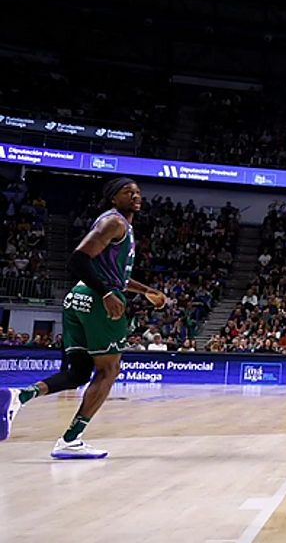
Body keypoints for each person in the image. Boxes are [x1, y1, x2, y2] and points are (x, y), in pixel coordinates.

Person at [1, 178, 168, 458]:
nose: (136, 195)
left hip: (78, 298)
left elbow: (113, 275)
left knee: (78, 372)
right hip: (95, 301)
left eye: (138, 192)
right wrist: (105, 294)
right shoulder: (114, 223)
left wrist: (147, 290)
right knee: (108, 371)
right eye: (128, 192)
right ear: (113, 198)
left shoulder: (118, 225)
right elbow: (77, 260)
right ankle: (71, 439)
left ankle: (20, 396)